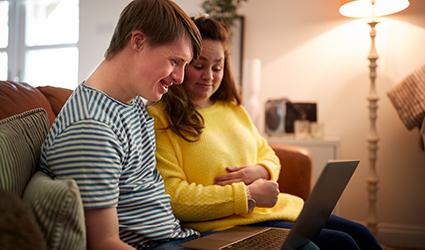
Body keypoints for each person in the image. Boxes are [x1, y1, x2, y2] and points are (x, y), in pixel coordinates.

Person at [147, 15, 383, 250]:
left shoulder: (233, 109)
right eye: (199, 66)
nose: (209, 76)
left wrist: (263, 170)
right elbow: (174, 197)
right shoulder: (160, 117)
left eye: (217, 67)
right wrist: (246, 195)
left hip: (281, 208)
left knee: (361, 233)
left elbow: (268, 155)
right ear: (181, 64)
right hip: (232, 224)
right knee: (343, 243)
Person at [39, 0, 205, 249]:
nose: (180, 78)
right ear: (138, 41)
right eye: (174, 61)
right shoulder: (91, 128)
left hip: (178, 237)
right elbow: (104, 243)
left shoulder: (128, 102)